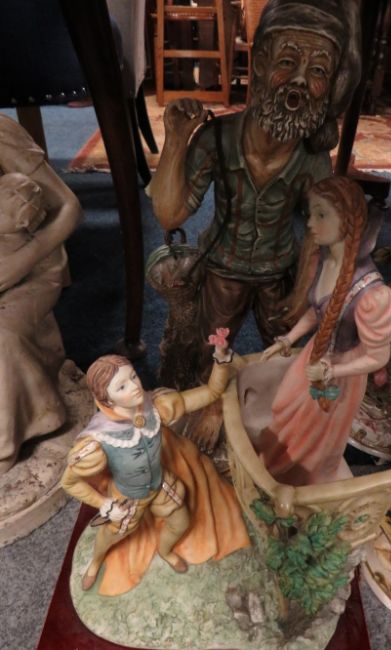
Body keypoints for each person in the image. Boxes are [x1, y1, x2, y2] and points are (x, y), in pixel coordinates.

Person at [147, 0, 361, 380]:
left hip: (279, 274)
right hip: (222, 271)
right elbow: (169, 214)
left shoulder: (312, 160)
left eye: (317, 70)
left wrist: (303, 289)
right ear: (261, 62)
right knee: (205, 361)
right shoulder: (217, 139)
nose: (299, 81)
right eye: (287, 62)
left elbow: (319, 232)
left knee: (287, 363)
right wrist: (177, 140)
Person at [239, 177, 391, 486]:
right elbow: (319, 310)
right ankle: (275, 467)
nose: (310, 223)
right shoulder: (324, 260)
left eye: (321, 214)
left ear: (348, 219)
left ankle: (298, 483)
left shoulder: (374, 295)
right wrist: (288, 339)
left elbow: (378, 356)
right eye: (309, 213)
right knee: (284, 407)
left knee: (312, 436)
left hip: (340, 375)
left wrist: (332, 370)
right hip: (315, 356)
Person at [62, 337, 250, 596]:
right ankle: (96, 561)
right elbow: (69, 482)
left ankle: (165, 550)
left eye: (133, 377)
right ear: (107, 400)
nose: (135, 387)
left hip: (162, 484)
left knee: (181, 522)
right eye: (122, 386)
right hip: (127, 498)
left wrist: (221, 358)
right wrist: (104, 504)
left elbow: (211, 393)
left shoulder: (158, 407)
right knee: (112, 534)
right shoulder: (97, 440)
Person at [0, 133, 80, 474]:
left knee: (3, 338)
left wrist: (20, 262)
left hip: (28, 266)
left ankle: (9, 438)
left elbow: (69, 207)